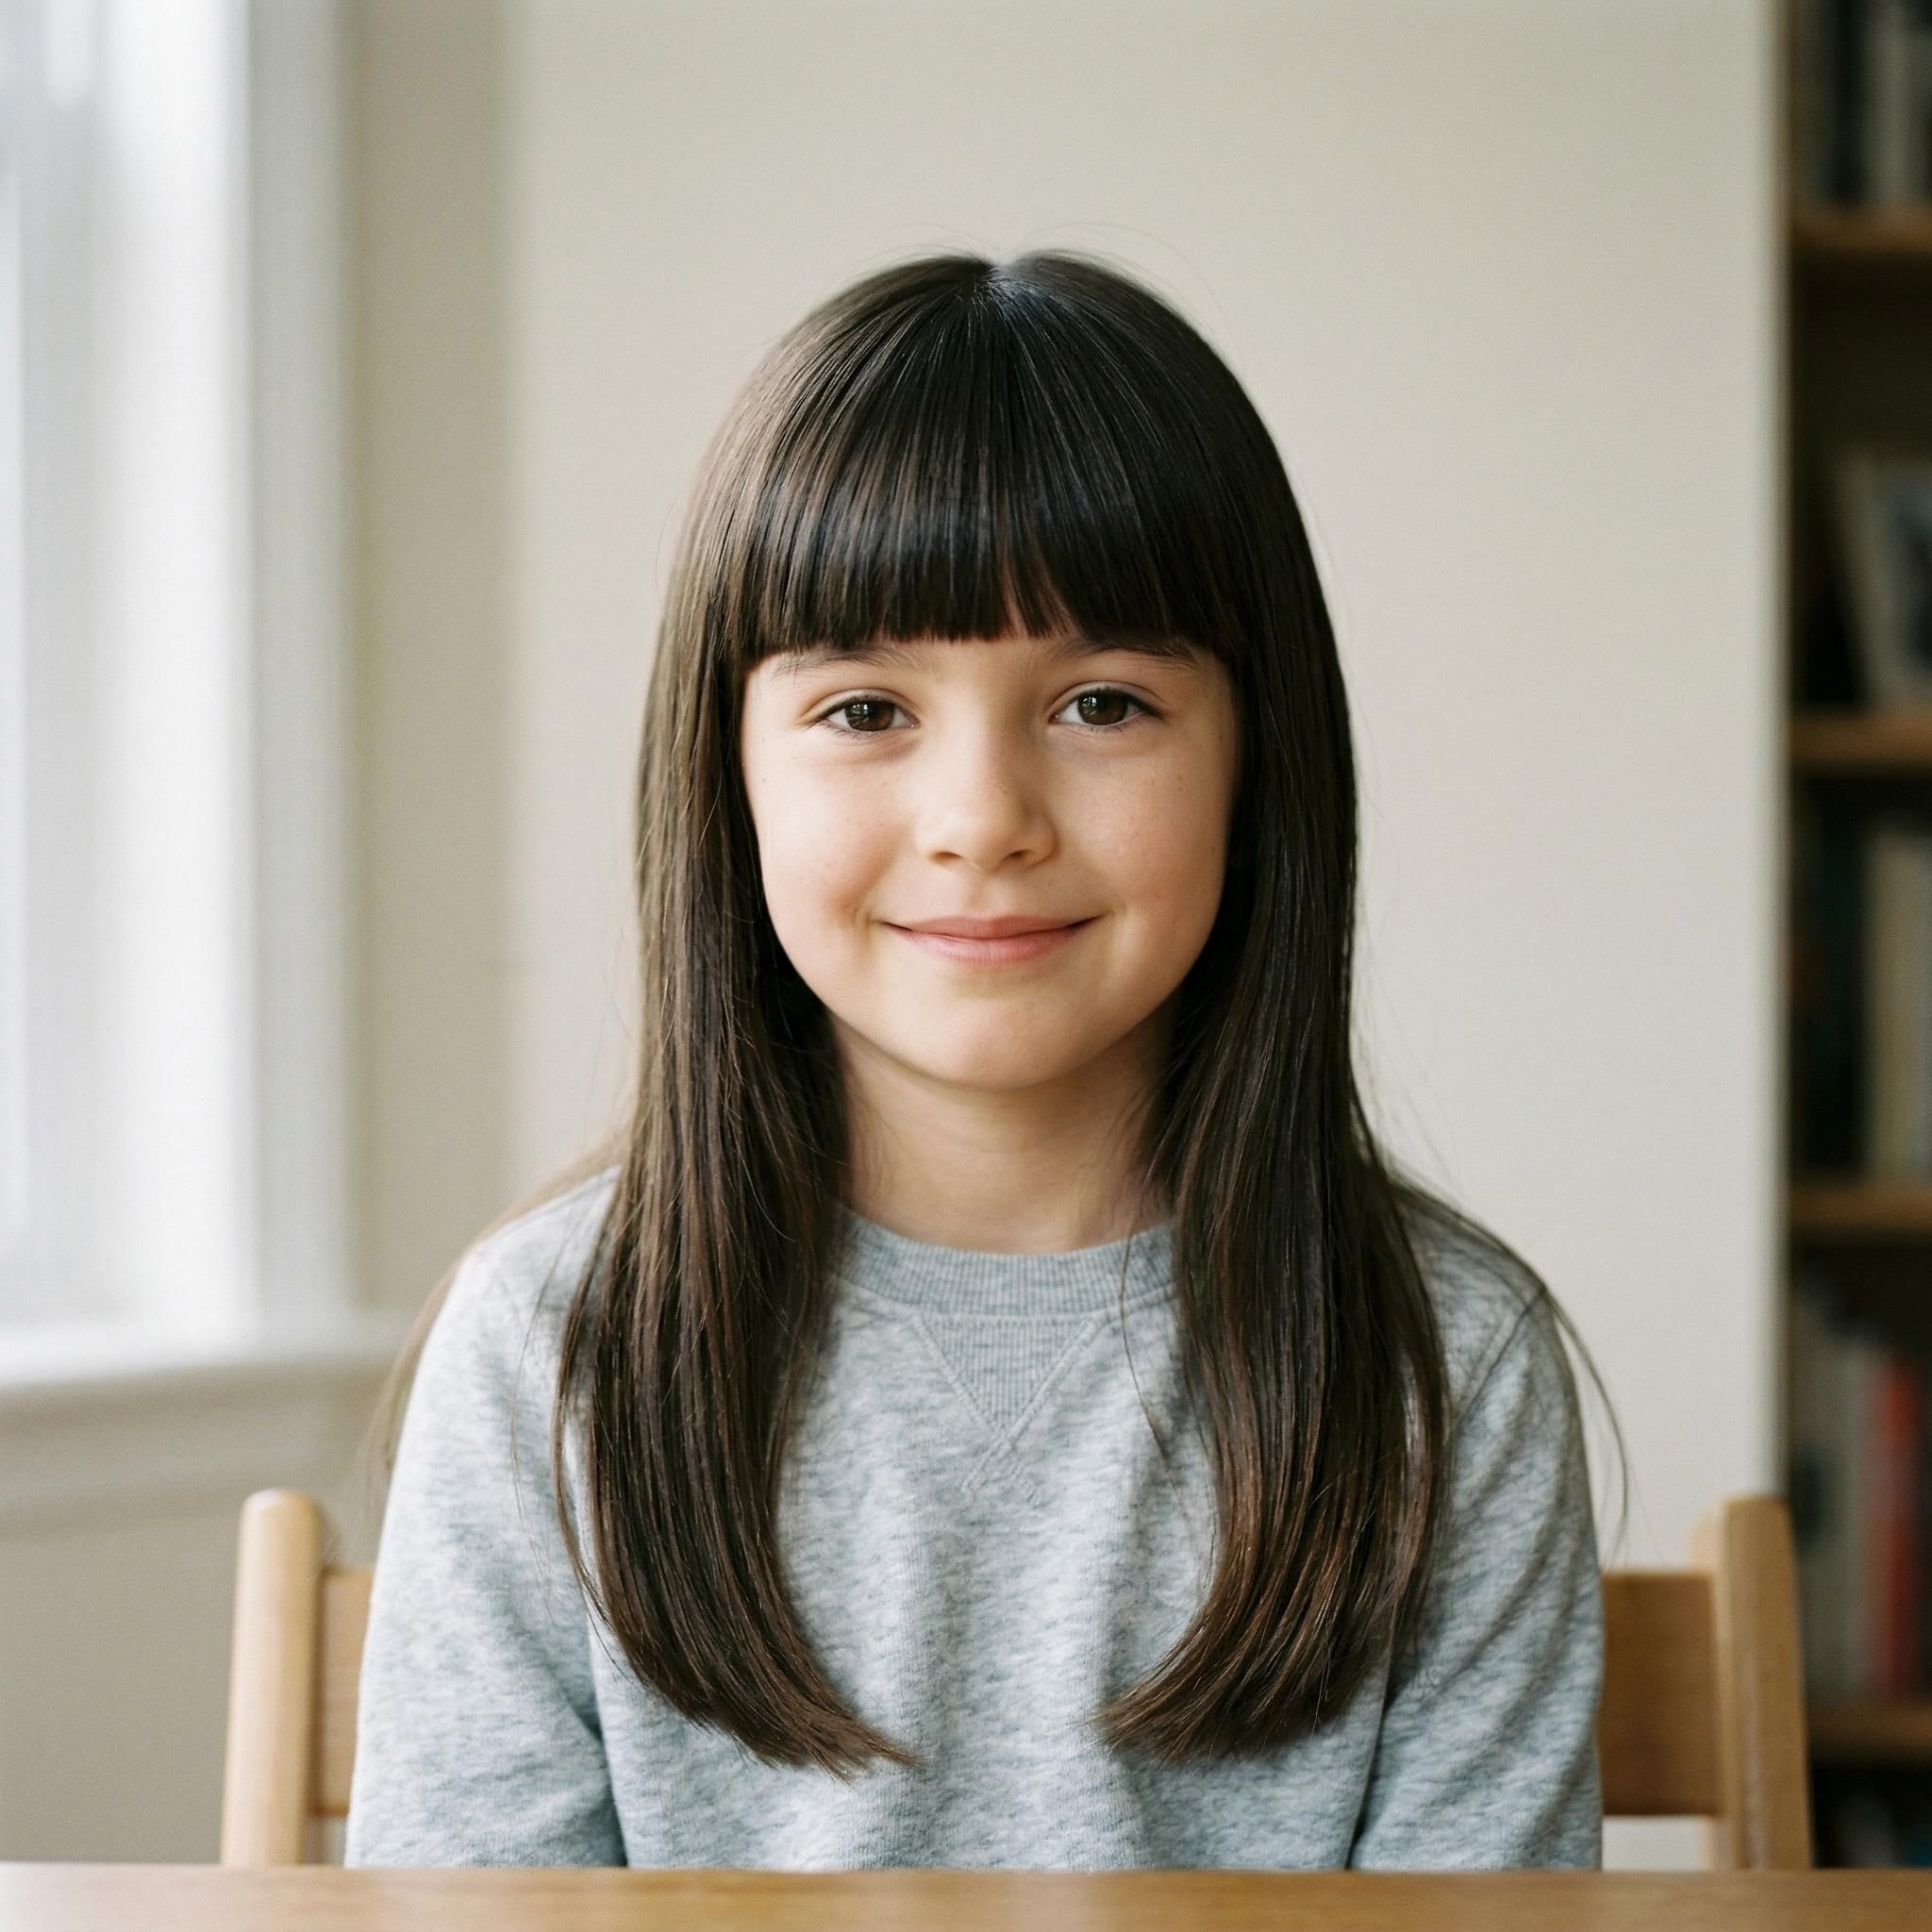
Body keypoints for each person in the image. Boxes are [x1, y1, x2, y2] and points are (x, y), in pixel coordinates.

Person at [343, 249, 1629, 1872]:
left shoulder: (1444, 1362)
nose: (983, 822)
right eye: (868, 711)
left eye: (1100, 701)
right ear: (726, 773)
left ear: (1260, 758)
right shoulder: (554, 1349)